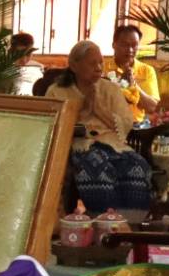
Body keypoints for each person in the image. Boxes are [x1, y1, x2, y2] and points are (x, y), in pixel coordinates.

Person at [47, 39, 152, 213]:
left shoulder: (110, 89)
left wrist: (98, 108)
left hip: (113, 144)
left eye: (100, 62)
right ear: (74, 66)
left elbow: (125, 124)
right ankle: (104, 220)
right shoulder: (57, 90)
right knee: (97, 164)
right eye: (92, 63)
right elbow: (52, 124)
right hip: (79, 145)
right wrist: (82, 109)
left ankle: (131, 222)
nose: (98, 67)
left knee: (138, 165)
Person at [109, 24, 159, 122]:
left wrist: (133, 84)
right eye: (124, 45)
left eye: (134, 45)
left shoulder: (147, 71)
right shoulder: (101, 68)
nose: (130, 50)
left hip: (136, 127)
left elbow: (151, 107)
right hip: (108, 126)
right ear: (114, 45)